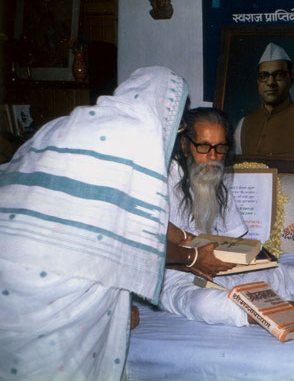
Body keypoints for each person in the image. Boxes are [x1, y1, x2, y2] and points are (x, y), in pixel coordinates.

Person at [0, 66, 205, 380]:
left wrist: (118, 308)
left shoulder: (69, 122)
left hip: (11, 272)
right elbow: (137, 240)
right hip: (58, 281)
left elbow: (99, 217)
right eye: (179, 125)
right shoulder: (138, 138)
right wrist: (193, 258)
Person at [161, 107, 294, 326]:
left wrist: (257, 260)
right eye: (203, 147)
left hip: (220, 267)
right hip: (177, 276)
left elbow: (236, 239)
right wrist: (194, 260)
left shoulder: (215, 177)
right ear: (184, 145)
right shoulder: (162, 179)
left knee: (280, 273)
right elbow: (150, 248)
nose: (213, 156)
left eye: (220, 148)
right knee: (207, 305)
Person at [233, 42, 294, 159]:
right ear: (258, 82)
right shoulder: (244, 123)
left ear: (291, 80)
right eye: (264, 76)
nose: (270, 82)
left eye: (278, 75)